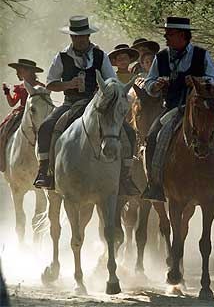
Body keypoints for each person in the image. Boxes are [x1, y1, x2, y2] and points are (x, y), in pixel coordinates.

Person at [34, 15, 139, 196]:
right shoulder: (62, 57)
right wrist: (69, 84)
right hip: (70, 103)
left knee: (128, 132)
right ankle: (45, 171)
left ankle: (125, 176)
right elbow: (51, 83)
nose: (80, 39)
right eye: (76, 36)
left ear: (88, 36)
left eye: (83, 36)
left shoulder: (100, 56)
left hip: (97, 104)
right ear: (71, 37)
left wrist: (108, 91)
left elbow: (111, 79)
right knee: (46, 127)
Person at [142, 16, 214, 202]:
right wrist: (156, 85)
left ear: (182, 35)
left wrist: (199, 81)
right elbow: (148, 83)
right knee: (152, 137)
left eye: (170, 33)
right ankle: (154, 185)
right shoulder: (161, 57)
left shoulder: (202, 55)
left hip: (201, 108)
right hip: (171, 108)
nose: (166, 36)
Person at [1, 59, 44, 129]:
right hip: (21, 114)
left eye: (19, 71)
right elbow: (12, 103)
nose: (17, 74)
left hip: (37, 113)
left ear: (28, 71)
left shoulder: (40, 87)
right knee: (5, 127)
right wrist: (7, 92)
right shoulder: (21, 88)